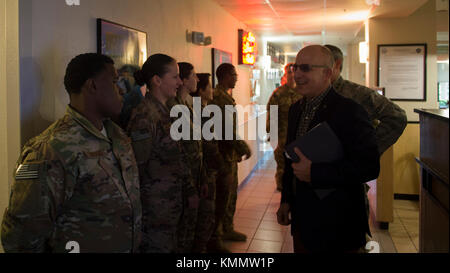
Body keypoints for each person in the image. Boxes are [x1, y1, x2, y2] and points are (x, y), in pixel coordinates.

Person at [1, 53, 142, 253]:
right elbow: (21, 238)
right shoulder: (51, 150)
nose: (121, 90)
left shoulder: (117, 136)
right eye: (114, 82)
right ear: (92, 86)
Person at [277, 45, 380, 253]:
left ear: (328, 73)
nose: (297, 74)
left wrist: (315, 173)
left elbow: (369, 167)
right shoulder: (296, 109)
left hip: (338, 224)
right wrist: (286, 198)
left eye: (305, 68)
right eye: (296, 68)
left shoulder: (350, 111)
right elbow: (291, 158)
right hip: (303, 221)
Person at [126, 54, 198, 253]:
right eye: (174, 77)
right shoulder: (145, 115)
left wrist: (189, 190)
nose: (180, 82)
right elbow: (137, 168)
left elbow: (177, 156)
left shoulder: (165, 112)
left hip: (169, 206)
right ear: (157, 80)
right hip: (155, 210)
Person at [324, 44, 407, 155]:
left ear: (337, 64)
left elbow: (397, 116)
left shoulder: (357, 93)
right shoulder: (312, 94)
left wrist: (368, 149)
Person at [207, 63, 252, 253]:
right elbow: (225, 131)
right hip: (222, 155)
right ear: (225, 76)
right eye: (233, 74)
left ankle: (227, 229)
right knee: (222, 196)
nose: (236, 77)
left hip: (228, 153)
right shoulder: (220, 99)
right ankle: (216, 237)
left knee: (230, 194)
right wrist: (243, 147)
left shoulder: (224, 96)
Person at [166, 62, 205, 252]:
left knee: (189, 231)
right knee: (181, 235)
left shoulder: (186, 105)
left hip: (193, 178)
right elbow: (179, 151)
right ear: (183, 80)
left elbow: (196, 147)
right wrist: (190, 187)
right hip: (181, 183)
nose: (197, 79)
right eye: (194, 75)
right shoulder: (172, 108)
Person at [190, 73, 221, 253]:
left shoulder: (205, 108)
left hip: (207, 169)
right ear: (201, 91)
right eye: (209, 86)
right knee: (204, 216)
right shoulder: (197, 112)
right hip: (204, 170)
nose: (212, 90)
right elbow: (206, 144)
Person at [266, 62, 303, 191]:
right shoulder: (278, 94)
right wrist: (271, 135)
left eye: (294, 72)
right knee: (282, 168)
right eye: (289, 72)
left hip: (300, 139)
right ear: (285, 75)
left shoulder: (304, 92)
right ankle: (283, 196)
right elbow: (272, 116)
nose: (292, 75)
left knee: (299, 169)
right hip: (282, 139)